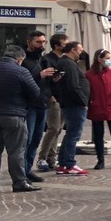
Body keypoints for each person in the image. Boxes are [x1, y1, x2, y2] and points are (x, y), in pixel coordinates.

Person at [0, 44, 48, 193]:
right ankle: (19, 182)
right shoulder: (21, 72)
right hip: (14, 115)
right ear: (19, 59)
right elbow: (35, 93)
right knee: (16, 151)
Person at [85, 48, 111, 170]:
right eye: (107, 58)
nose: (109, 61)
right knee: (98, 135)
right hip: (97, 107)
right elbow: (86, 90)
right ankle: (100, 160)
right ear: (99, 59)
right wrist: (89, 101)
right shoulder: (89, 74)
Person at [53, 41, 91, 176]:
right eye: (80, 50)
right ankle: (69, 163)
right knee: (74, 134)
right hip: (75, 104)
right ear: (73, 50)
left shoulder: (65, 63)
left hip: (70, 103)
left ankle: (63, 163)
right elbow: (73, 86)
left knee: (70, 134)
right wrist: (83, 101)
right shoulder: (68, 64)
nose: (81, 53)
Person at [35, 32, 69, 171]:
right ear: (57, 46)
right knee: (53, 128)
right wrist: (49, 95)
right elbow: (44, 80)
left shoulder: (66, 60)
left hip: (64, 98)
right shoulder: (46, 59)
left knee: (58, 129)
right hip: (52, 98)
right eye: (65, 44)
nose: (67, 47)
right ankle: (42, 157)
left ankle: (51, 158)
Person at [20, 31, 49, 184]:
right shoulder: (23, 60)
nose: (42, 45)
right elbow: (23, 81)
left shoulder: (42, 59)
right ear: (29, 42)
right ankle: (22, 171)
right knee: (28, 139)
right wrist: (40, 75)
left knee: (37, 138)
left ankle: (28, 169)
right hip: (29, 105)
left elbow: (45, 83)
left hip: (42, 104)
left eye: (44, 42)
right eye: (38, 42)